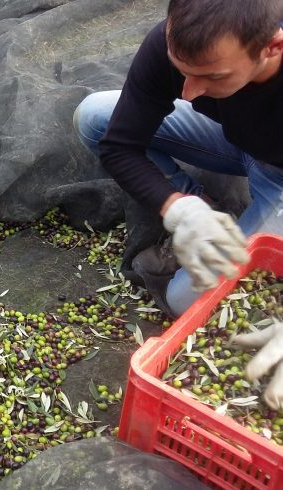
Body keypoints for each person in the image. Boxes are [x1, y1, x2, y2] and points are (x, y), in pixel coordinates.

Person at [74, 0, 283, 406]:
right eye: (181, 68)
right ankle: (209, 205)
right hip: (232, 139)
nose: (187, 91)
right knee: (94, 117)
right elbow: (119, 145)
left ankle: (256, 213)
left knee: (184, 300)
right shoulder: (177, 42)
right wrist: (179, 207)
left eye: (211, 76)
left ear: (272, 47)